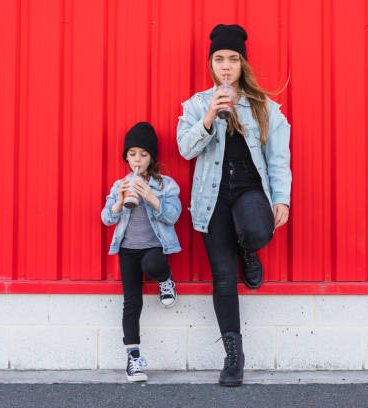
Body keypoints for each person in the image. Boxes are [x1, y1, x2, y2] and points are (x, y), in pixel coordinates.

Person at [177, 24, 291, 386]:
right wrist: (209, 117)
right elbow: (185, 149)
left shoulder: (263, 106)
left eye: (233, 59)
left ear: (243, 64)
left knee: (258, 230)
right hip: (212, 195)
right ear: (211, 64)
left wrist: (283, 197)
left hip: (248, 185)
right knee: (224, 280)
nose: (226, 66)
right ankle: (234, 357)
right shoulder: (196, 105)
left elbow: (278, 158)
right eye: (219, 59)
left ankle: (249, 249)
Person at [101, 121, 182, 382]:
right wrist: (118, 203)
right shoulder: (119, 185)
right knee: (131, 303)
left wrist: (150, 196)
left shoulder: (165, 184)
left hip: (154, 248)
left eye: (143, 155)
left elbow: (173, 215)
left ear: (152, 158)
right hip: (127, 251)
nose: (137, 159)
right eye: (132, 154)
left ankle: (166, 280)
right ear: (126, 156)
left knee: (153, 266)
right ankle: (134, 359)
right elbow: (106, 218)